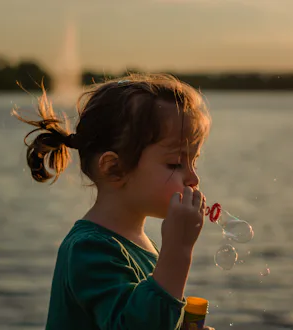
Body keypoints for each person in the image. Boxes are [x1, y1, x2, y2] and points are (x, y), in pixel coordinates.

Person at [13, 73, 215, 330]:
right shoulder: (89, 249)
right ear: (114, 169)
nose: (193, 178)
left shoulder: (139, 244)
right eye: (175, 163)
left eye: (193, 161)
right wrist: (178, 249)